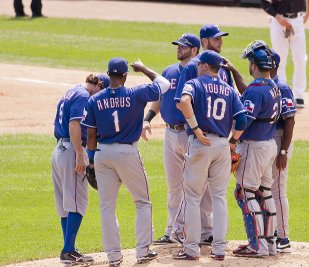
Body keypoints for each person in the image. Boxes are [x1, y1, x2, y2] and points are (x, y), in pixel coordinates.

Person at [80, 57, 171, 265]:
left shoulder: (95, 100)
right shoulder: (135, 93)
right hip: (127, 153)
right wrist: (143, 68)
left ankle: (113, 256)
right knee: (142, 202)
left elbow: (91, 134)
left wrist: (92, 161)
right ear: (125, 75)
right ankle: (142, 251)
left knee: (107, 207)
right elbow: (164, 84)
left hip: (102, 154)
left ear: (108, 75)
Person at [170, 24, 244, 246]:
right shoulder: (217, 78)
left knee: (193, 194)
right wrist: (231, 141)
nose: (221, 41)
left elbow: (183, 101)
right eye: (216, 38)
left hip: (200, 139)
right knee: (217, 196)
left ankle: (192, 245)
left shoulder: (198, 78)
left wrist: (195, 128)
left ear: (204, 66)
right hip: (220, 142)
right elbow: (241, 117)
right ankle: (219, 247)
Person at [141, 33, 201, 245]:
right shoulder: (169, 70)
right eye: (178, 45)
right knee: (174, 185)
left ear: (194, 50)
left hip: (188, 133)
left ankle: (185, 230)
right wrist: (147, 119)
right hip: (170, 133)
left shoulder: (197, 73)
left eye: (184, 46)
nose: (179, 48)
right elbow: (159, 99)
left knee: (189, 185)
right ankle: (170, 230)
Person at [51, 73, 109, 265]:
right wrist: (79, 154)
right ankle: (68, 251)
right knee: (77, 202)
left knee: (66, 204)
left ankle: (70, 248)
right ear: (98, 85)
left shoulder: (71, 91)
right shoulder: (84, 96)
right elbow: (74, 124)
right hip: (71, 150)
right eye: (102, 92)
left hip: (59, 149)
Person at [231, 40, 282, 257]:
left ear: (254, 65)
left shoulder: (256, 90)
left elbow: (245, 121)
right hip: (269, 145)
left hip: (254, 146)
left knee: (245, 192)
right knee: (265, 192)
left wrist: (232, 142)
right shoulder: (275, 87)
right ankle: (270, 244)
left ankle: (257, 245)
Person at [261, 0, 309, 108]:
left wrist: (308, 13)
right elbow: (264, 2)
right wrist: (277, 16)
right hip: (278, 22)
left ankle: (299, 95)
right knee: (279, 60)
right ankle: (281, 93)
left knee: (300, 59)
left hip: (297, 21)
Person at [269, 50, 297, 253]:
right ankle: (271, 233)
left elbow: (290, 120)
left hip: (280, 139)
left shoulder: (282, 88)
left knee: (278, 189)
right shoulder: (265, 85)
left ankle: (283, 237)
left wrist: (284, 151)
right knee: (267, 188)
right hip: (268, 138)